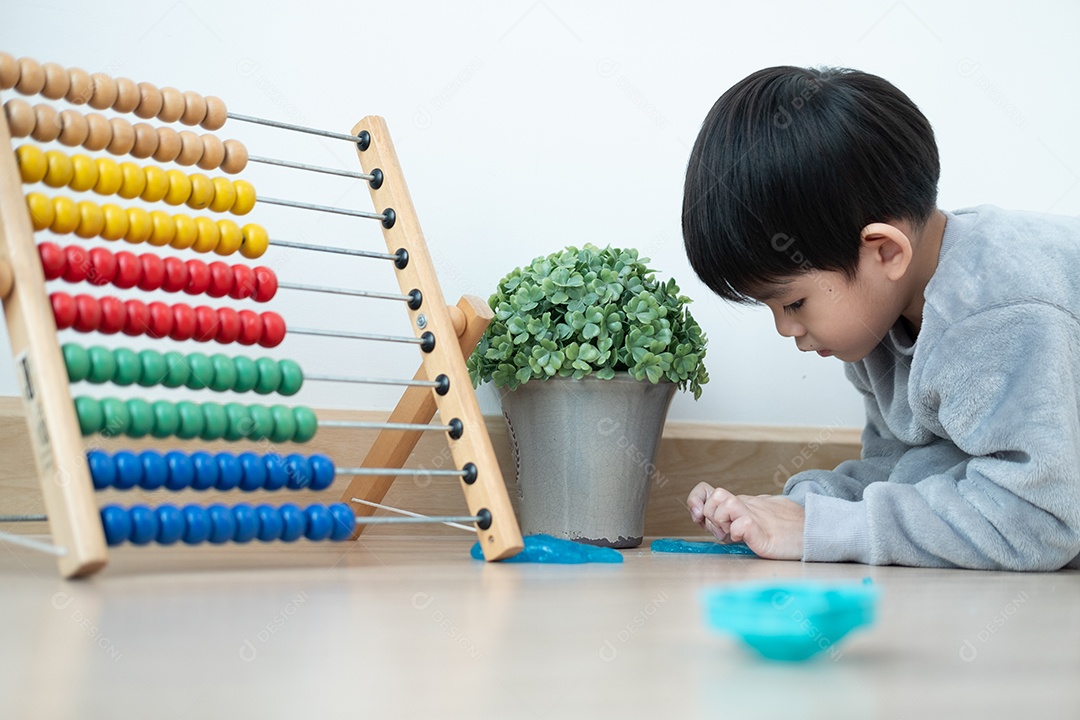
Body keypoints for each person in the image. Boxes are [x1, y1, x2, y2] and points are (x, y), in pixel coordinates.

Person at [680, 65, 1080, 570]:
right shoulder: (882, 321)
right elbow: (910, 475)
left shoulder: (997, 314)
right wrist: (802, 508)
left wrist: (822, 530)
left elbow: (1038, 520)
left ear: (885, 252)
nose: (786, 329)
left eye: (794, 303)